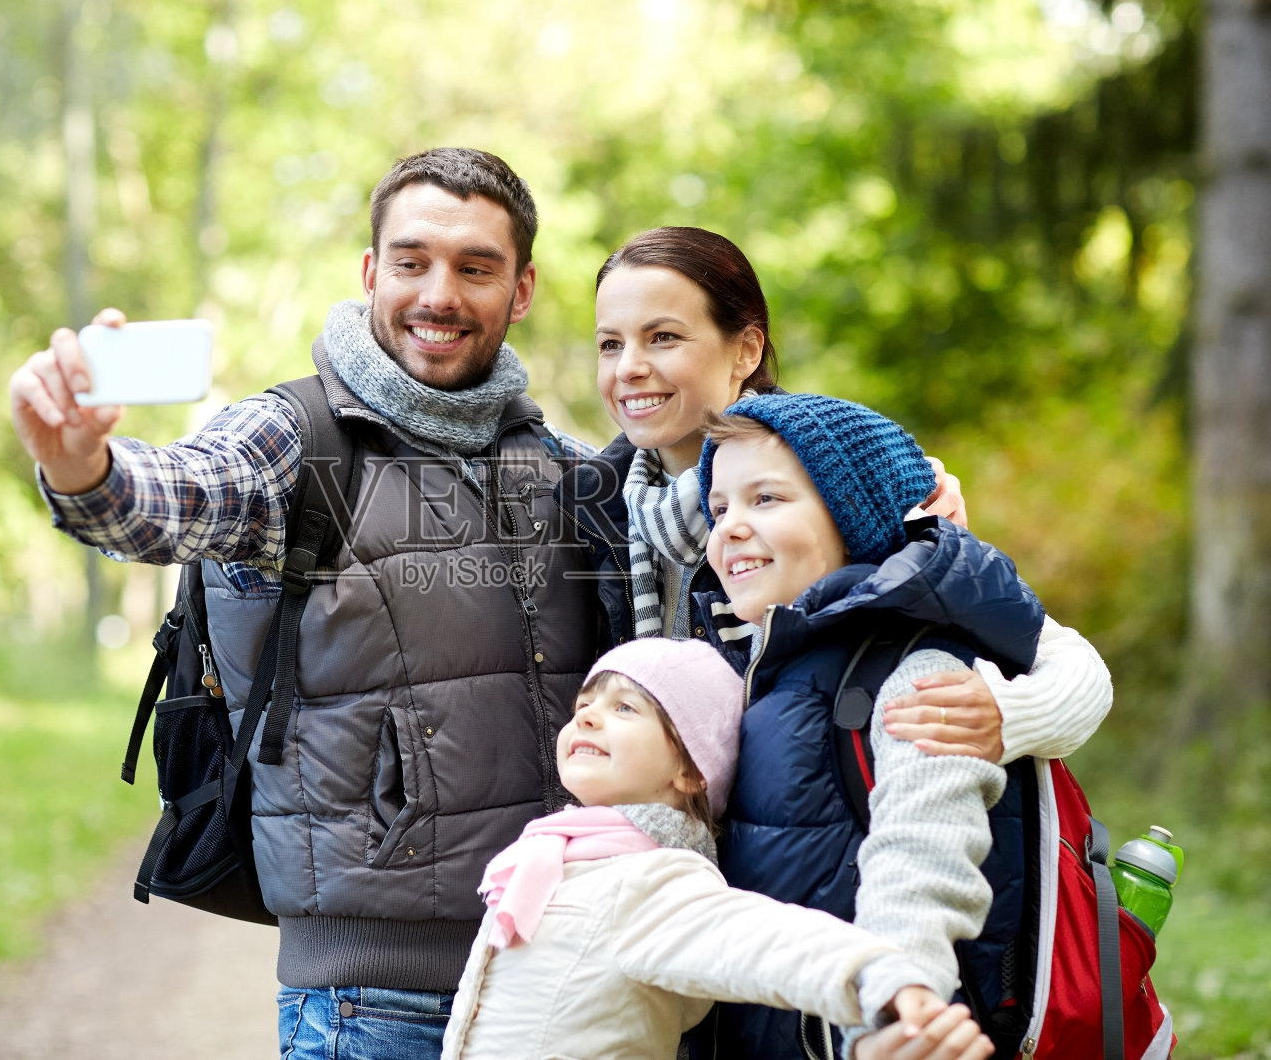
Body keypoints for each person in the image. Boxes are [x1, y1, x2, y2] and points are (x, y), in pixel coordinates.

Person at [10, 148, 604, 1060]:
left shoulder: (559, 462)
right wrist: (81, 465)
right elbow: (177, 495)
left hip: (557, 983)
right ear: (371, 273)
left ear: (521, 290)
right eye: (412, 262)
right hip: (374, 1001)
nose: (439, 294)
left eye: (475, 268)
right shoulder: (298, 434)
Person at [557, 225, 1111, 773]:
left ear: (745, 349)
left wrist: (1007, 717)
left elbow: (1063, 660)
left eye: (663, 337)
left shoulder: (842, 476)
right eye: (610, 344)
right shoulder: (587, 509)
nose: (628, 367)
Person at [694, 393, 1052, 1058]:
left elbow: (922, 852)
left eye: (765, 499)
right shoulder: (769, 665)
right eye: (719, 509)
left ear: (853, 515)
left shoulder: (915, 671)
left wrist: (895, 1002)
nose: (730, 528)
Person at [441, 637, 996, 1060]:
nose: (586, 715)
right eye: (584, 704)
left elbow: (761, 942)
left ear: (690, 770)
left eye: (626, 708)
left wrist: (881, 975)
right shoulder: (557, 858)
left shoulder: (651, 881)